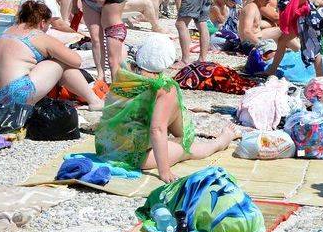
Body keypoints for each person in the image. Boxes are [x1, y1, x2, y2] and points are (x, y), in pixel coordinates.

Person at [94, 68, 240, 182]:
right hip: (131, 156)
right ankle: (219, 142)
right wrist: (164, 171)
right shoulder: (164, 86)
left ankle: (181, 137)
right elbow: (157, 130)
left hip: (106, 145)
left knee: (167, 111)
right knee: (187, 149)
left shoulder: (124, 73)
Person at [0, 0, 104, 112]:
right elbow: (76, 61)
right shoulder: (37, 35)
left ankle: (93, 101)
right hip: (15, 95)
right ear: (42, 23)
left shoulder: (7, 31)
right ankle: (94, 101)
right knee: (62, 62)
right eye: (48, 25)